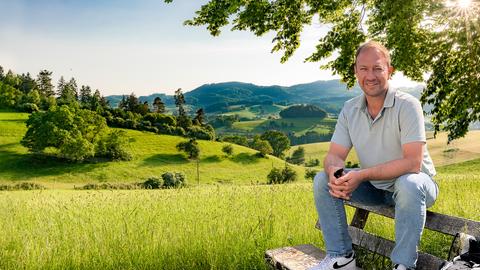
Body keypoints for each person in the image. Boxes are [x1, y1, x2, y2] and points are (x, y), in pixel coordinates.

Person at [309, 41, 439, 270]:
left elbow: (412, 163)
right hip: (375, 187)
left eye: (378, 68)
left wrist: (361, 175)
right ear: (355, 71)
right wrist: (334, 172)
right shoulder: (350, 109)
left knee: (409, 183)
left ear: (390, 71)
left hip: (415, 187)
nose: (371, 75)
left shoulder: (408, 105)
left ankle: (403, 265)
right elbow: (334, 155)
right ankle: (341, 257)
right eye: (364, 68)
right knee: (322, 181)